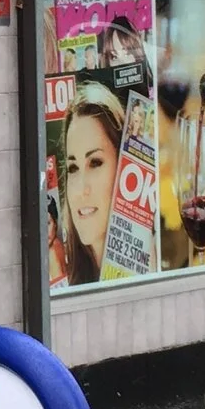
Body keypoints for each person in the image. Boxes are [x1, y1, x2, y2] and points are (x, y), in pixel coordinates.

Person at [54, 79, 127, 286]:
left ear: (123, 165)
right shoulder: (60, 280)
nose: (81, 190)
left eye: (95, 162)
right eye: (73, 168)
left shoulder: (155, 268)